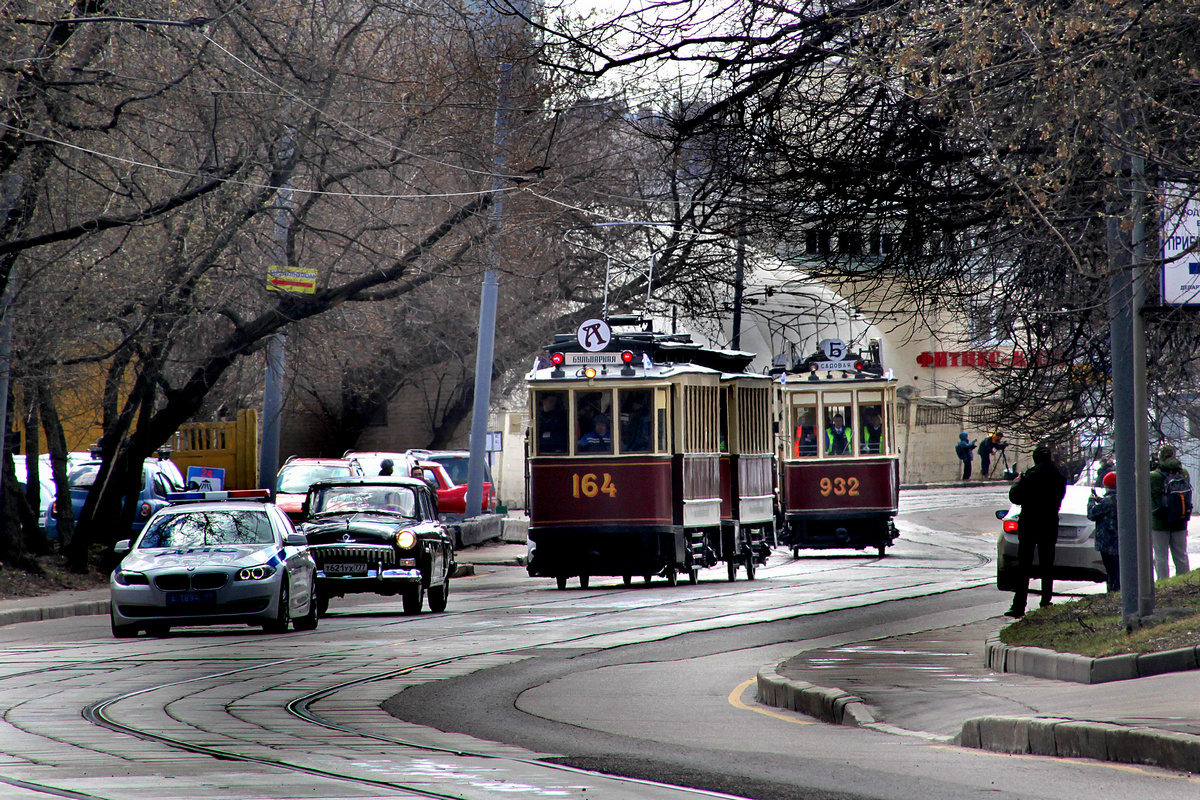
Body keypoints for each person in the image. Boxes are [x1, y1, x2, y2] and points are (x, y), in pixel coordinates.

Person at [1005, 445, 1067, 618]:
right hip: (1049, 522)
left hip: (1030, 523)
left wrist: (1017, 482)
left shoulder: (1030, 477)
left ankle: (1019, 605)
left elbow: (1015, 497)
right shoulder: (1059, 477)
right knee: (1047, 564)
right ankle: (1046, 601)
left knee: (1024, 565)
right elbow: (1059, 498)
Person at [1149, 445, 1191, 581]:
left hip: (1159, 523)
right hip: (1180, 520)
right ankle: (1184, 582)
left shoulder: (1154, 476)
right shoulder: (1183, 473)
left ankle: (1163, 582)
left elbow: (1150, 497)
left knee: (1161, 556)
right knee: (1181, 555)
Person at [1087, 470, 1120, 593]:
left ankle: (1113, 593)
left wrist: (1091, 501)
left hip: (1107, 542)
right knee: (1119, 569)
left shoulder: (1107, 501)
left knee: (1111, 571)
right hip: (1120, 541)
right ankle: (1118, 590)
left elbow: (1092, 514)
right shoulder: (1122, 498)